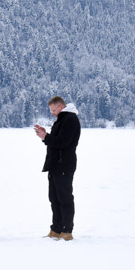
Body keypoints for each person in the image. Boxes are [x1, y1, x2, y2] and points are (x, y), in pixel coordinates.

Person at [34, 95, 81, 241]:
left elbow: (63, 142)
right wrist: (45, 135)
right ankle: (56, 229)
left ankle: (67, 231)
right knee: (54, 198)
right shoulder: (62, 120)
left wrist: (45, 137)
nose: (52, 113)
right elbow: (55, 141)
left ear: (61, 107)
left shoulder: (70, 120)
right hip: (55, 165)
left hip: (64, 165)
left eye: (53, 110)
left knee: (64, 198)